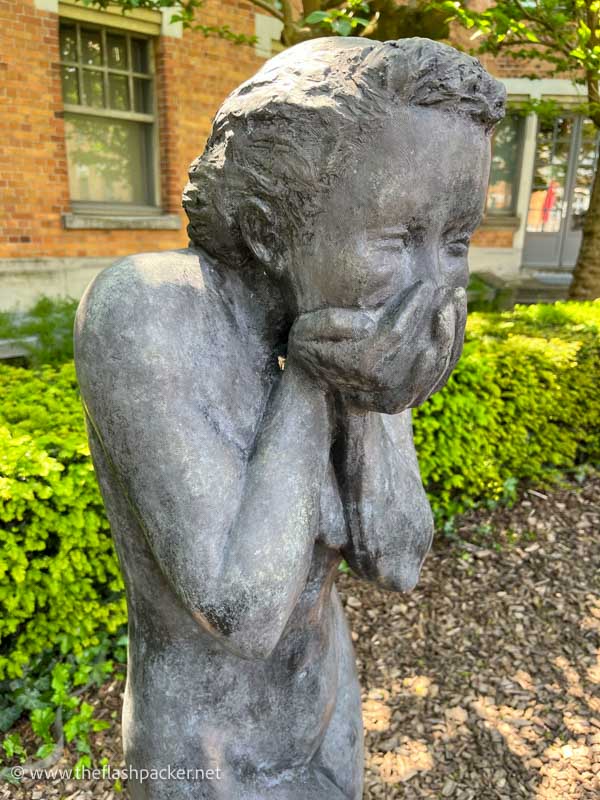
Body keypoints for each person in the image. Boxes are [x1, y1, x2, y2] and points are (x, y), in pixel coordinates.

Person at [74, 36, 505, 800]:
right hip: (205, 755)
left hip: (328, 716)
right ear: (273, 232)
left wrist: (377, 401)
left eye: (456, 240)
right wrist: (310, 381)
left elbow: (397, 559)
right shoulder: (148, 311)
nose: (434, 284)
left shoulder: (357, 319)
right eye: (401, 237)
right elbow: (243, 611)